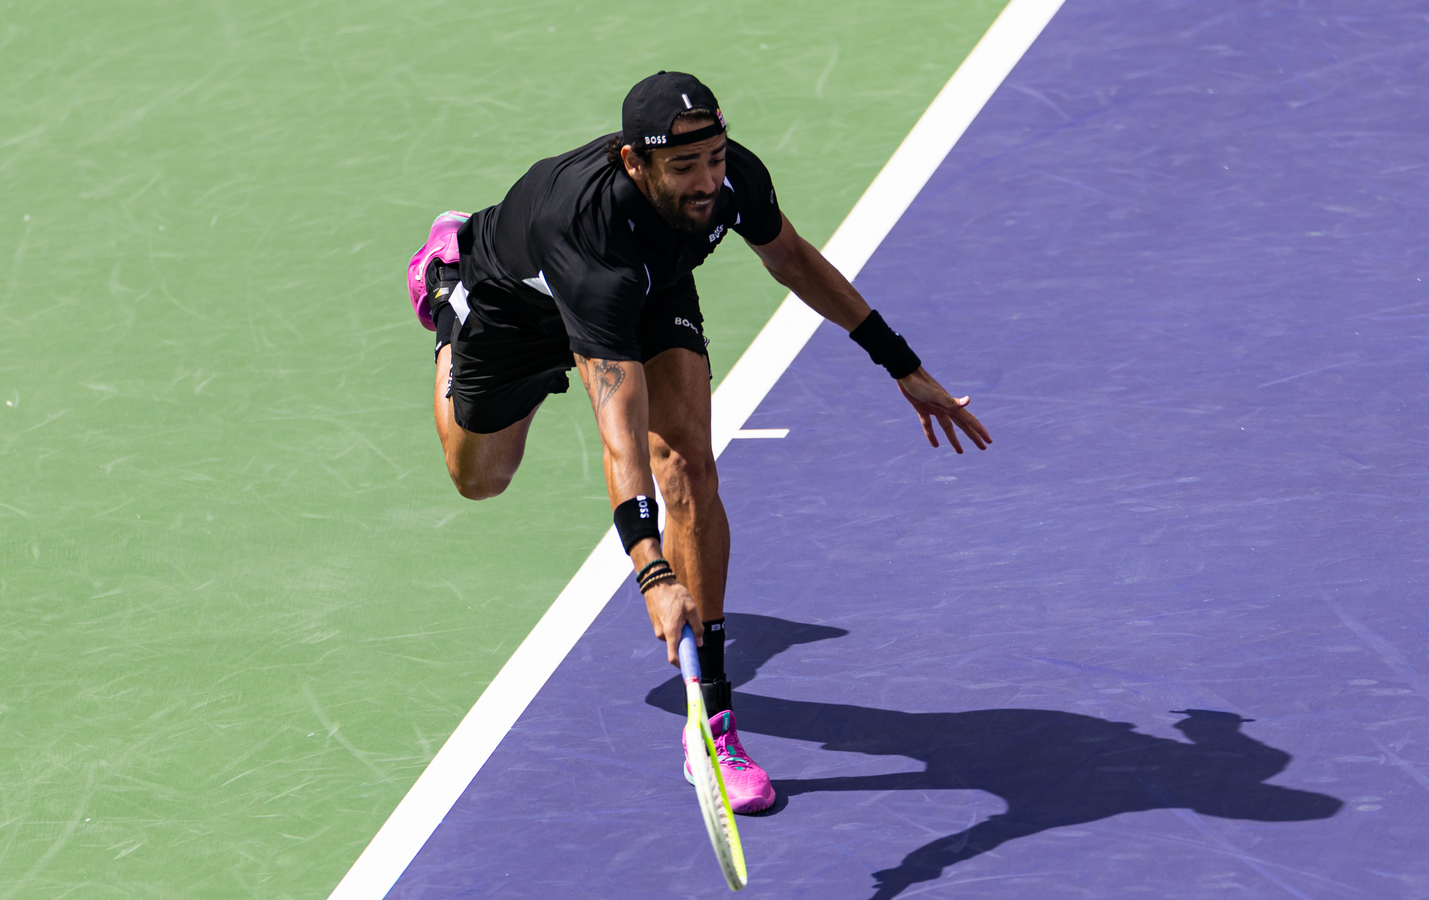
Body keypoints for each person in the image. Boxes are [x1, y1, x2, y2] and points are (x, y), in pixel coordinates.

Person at [406, 72, 991, 814]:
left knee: (686, 465)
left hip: (652, 284)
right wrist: (652, 573)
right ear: (633, 164)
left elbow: (793, 259)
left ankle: (712, 724)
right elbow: (619, 445)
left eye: (714, 157)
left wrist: (904, 366)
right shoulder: (587, 239)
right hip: (518, 305)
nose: (706, 180)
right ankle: (442, 278)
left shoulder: (728, 179)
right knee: (480, 477)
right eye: (684, 167)